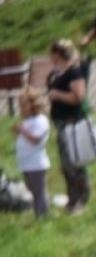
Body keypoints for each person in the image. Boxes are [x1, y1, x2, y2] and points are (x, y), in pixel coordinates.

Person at [46, 41, 92, 215]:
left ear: (58, 54)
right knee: (66, 165)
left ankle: (81, 199)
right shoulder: (58, 73)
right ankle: (72, 198)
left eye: (52, 53)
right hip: (61, 123)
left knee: (75, 163)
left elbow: (78, 97)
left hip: (72, 122)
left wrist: (57, 94)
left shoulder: (74, 71)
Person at [12, 88, 51, 220]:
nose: (21, 108)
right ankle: (40, 211)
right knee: (32, 190)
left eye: (24, 105)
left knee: (38, 191)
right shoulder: (28, 120)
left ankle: (42, 216)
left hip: (36, 164)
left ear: (34, 104)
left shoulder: (40, 120)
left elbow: (36, 139)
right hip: (27, 163)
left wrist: (22, 131)